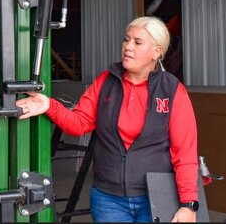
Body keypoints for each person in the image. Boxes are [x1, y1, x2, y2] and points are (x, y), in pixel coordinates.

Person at [16, 16, 199, 223]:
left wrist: (188, 204)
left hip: (155, 197)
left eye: (138, 43)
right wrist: (49, 105)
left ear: (156, 52)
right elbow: (79, 123)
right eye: (126, 39)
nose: (128, 47)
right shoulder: (106, 81)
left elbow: (184, 151)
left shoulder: (172, 91)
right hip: (108, 198)